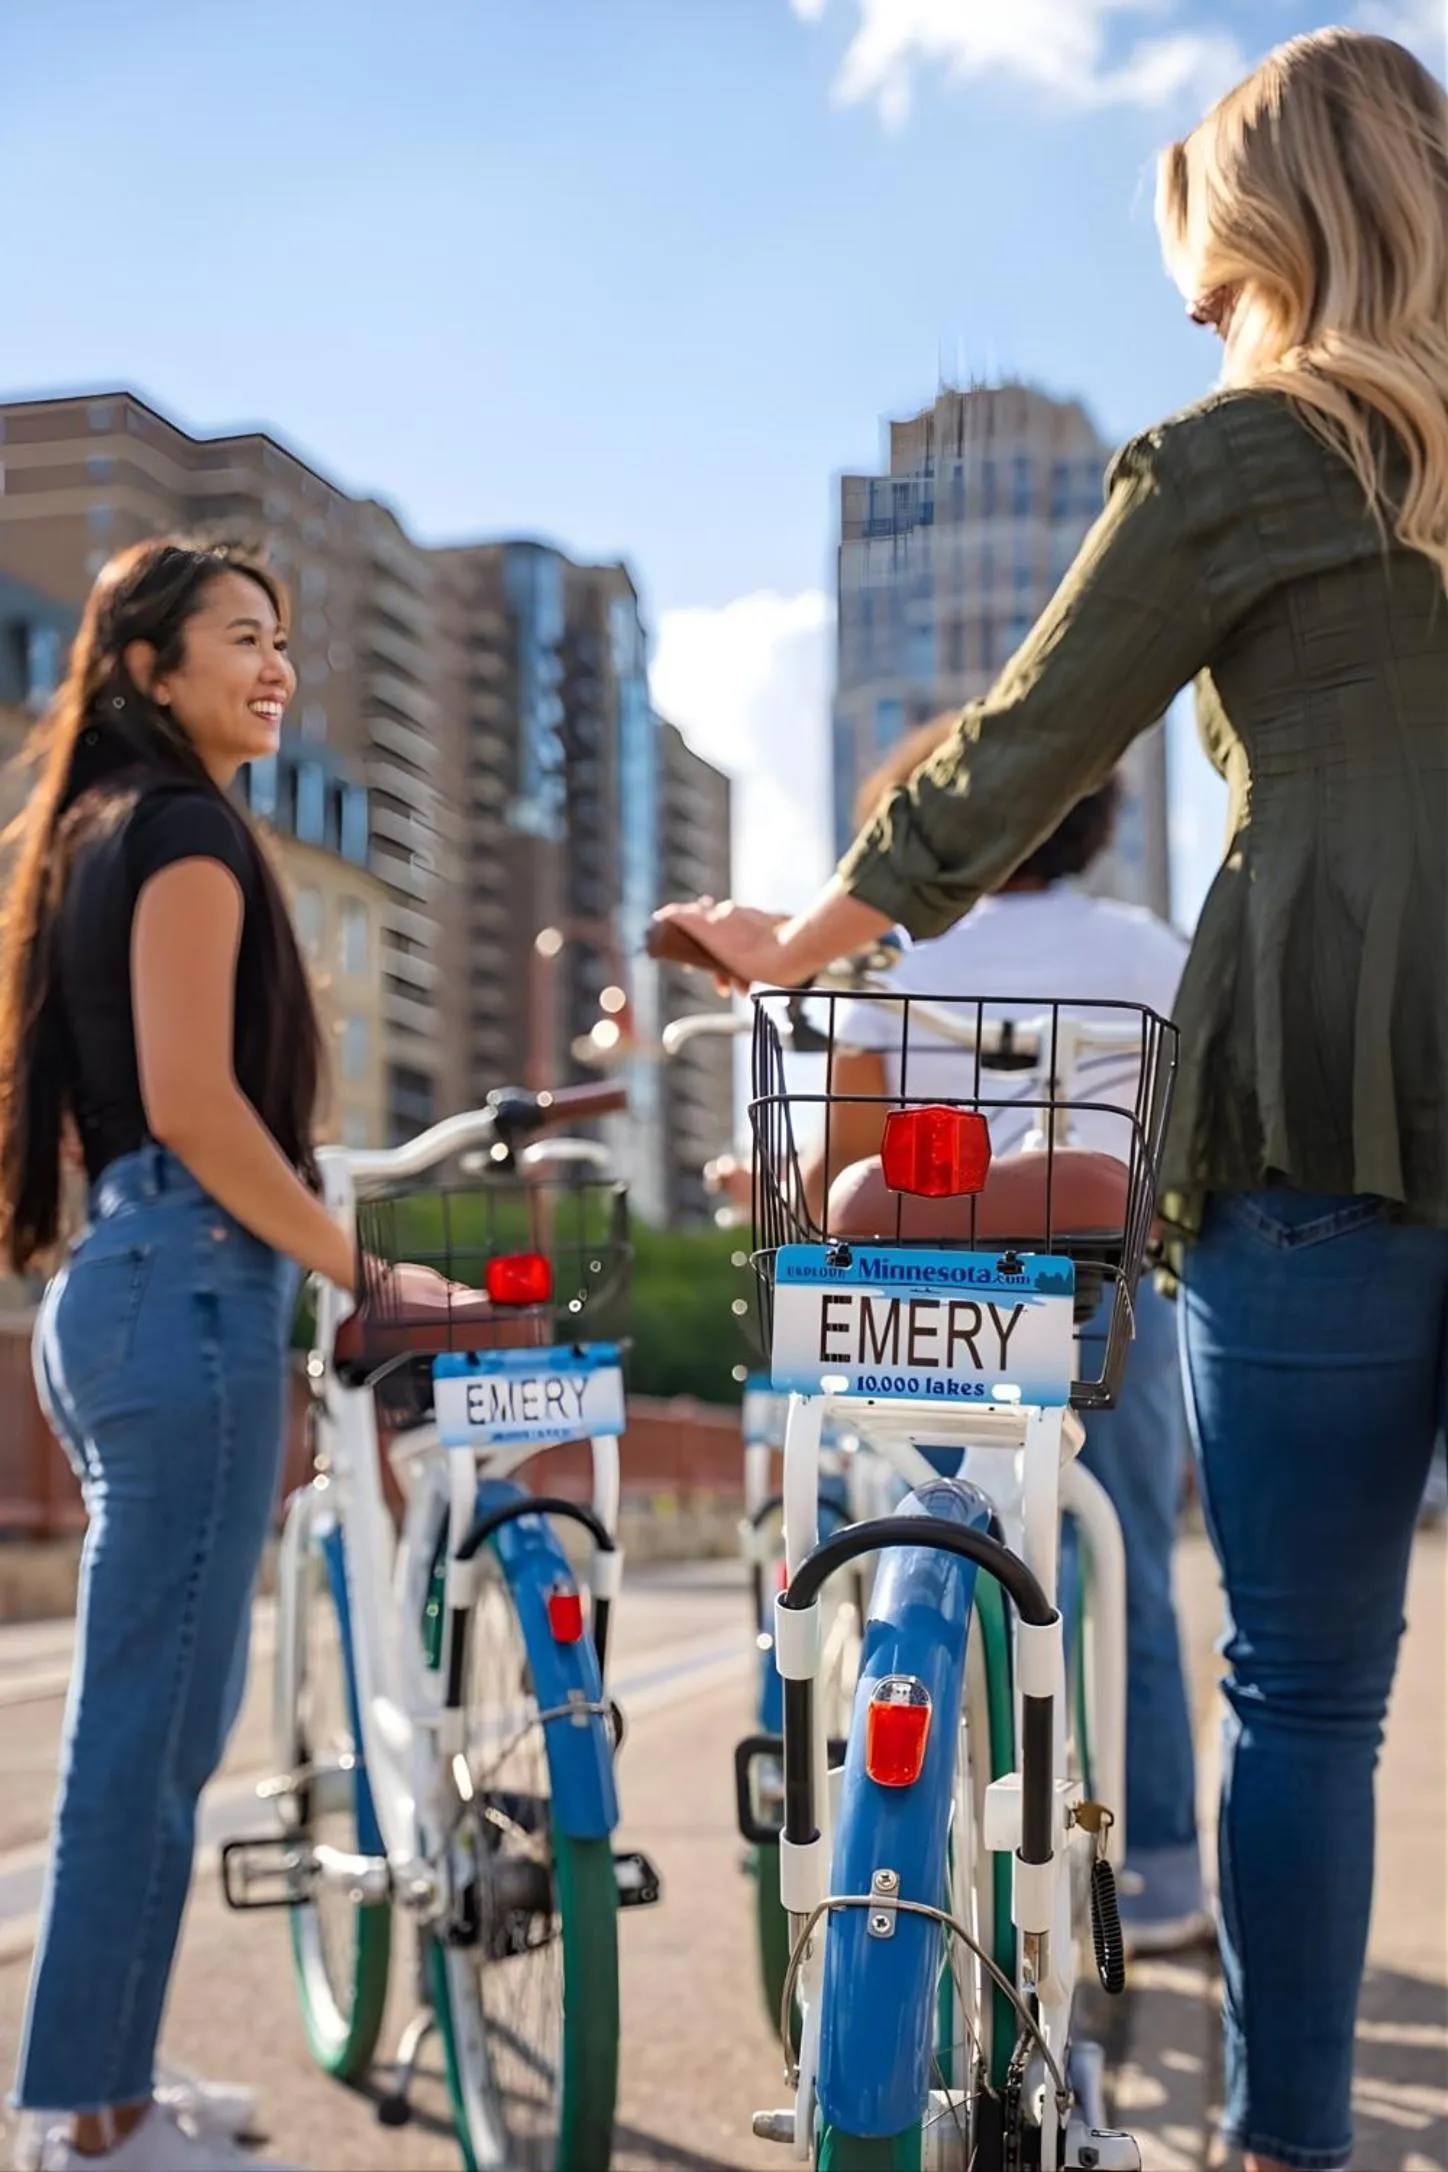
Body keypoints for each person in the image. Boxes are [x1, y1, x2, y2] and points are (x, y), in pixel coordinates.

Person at [655, 30, 1448, 2172]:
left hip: (1311, 1095)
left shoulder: (1236, 460)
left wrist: (809, 937)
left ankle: (1290, 2145)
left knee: (1307, 1685)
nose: (1192, 307)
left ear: (1273, 234)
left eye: (1204, 262)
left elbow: (1015, 750)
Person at [0, 540, 402, 2172]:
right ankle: (92, 2124)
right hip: (189, 1279)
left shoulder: (108, 833)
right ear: (149, 669)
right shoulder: (181, 835)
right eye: (241, 637)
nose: (276, 663)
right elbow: (192, 1105)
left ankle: (113, 2080)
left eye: (283, 638)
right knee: (147, 1729)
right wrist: (358, 1261)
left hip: (131, 1279)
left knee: (162, 1723)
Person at [817, 738, 1209, 1953]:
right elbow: (1190, 1135)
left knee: (930, 1530)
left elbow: (844, 1159)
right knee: (1118, 1556)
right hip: (1100, 1287)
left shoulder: (894, 957)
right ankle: (1154, 1875)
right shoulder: (1146, 948)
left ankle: (918, 1828)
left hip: (918, 1292)